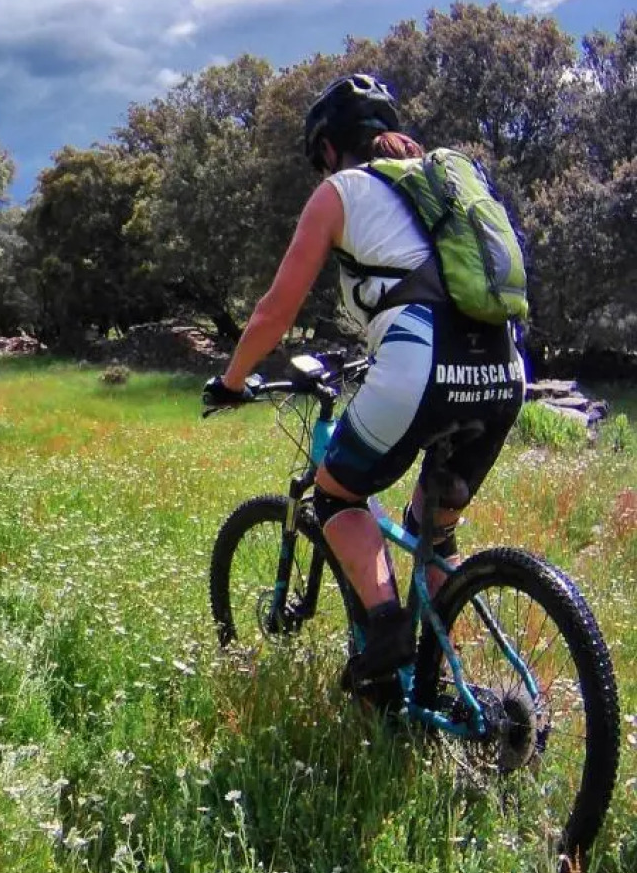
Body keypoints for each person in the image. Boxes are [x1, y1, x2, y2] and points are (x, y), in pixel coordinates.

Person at [203, 73, 525, 685]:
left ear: (327, 148)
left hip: (421, 362)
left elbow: (275, 310)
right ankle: (431, 682)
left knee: (334, 495)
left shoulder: (341, 191)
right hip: (503, 368)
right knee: (435, 522)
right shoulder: (444, 183)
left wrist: (232, 380)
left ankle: (386, 633)